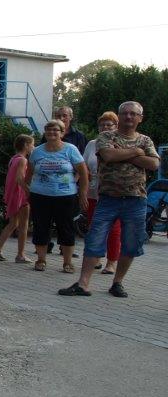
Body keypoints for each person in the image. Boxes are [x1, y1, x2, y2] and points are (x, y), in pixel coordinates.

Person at [59, 101, 160, 298]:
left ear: (140, 118)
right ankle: (83, 284)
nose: (129, 116)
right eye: (125, 113)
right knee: (94, 239)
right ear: (119, 116)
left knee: (131, 243)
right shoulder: (106, 136)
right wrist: (136, 152)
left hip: (136, 200)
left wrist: (121, 153)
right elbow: (107, 154)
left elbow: (154, 164)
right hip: (107, 199)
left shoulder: (145, 140)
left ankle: (117, 283)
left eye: (133, 114)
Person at [25, 119, 88, 272]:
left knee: (66, 228)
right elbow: (29, 174)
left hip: (65, 196)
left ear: (62, 133)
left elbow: (83, 172)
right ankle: (41, 260)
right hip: (40, 196)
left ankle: (67, 262)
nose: (52, 132)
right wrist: (28, 191)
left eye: (55, 130)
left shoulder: (70, 149)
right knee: (41, 227)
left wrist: (82, 194)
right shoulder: (37, 151)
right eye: (49, 130)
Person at [81, 112, 122, 275]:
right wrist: (82, 189)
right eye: (102, 125)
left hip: (114, 192)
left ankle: (112, 262)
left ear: (116, 127)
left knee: (114, 229)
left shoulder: (121, 143)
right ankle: (96, 258)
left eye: (109, 125)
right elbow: (84, 167)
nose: (105, 127)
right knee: (94, 227)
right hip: (93, 192)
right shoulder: (92, 144)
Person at [0, 134, 34, 263]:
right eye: (32, 144)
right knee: (23, 225)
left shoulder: (13, 158)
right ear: (26, 145)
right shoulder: (23, 160)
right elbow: (19, 178)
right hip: (20, 195)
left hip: (12, 194)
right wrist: (29, 191)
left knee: (13, 223)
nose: (33, 147)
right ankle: (20, 255)